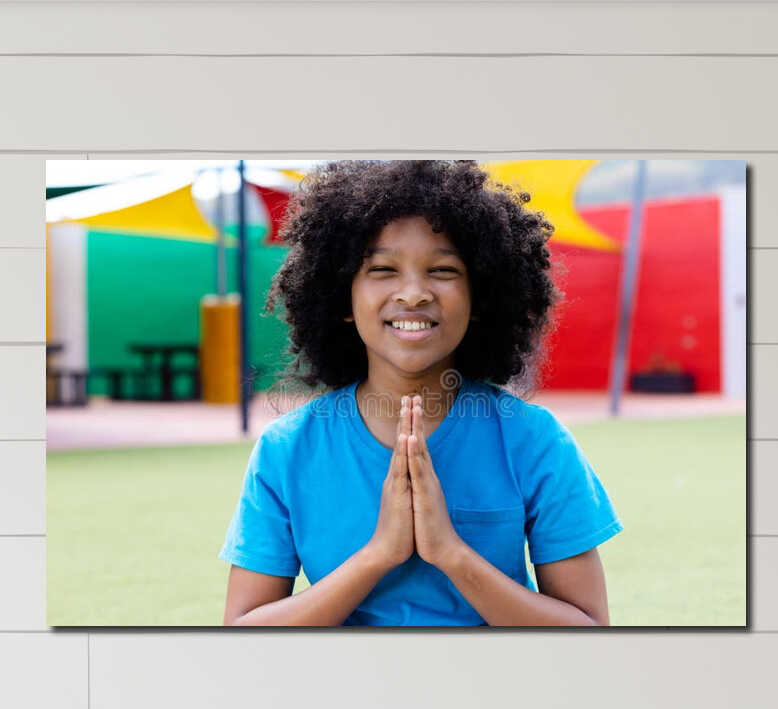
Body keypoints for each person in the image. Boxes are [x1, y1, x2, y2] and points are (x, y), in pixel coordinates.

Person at [220, 160, 620, 626]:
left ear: (479, 297)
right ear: (343, 296)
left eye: (443, 270)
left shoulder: (534, 441)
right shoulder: (288, 450)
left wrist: (450, 552)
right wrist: (379, 554)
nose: (413, 294)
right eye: (382, 269)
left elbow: (589, 630)